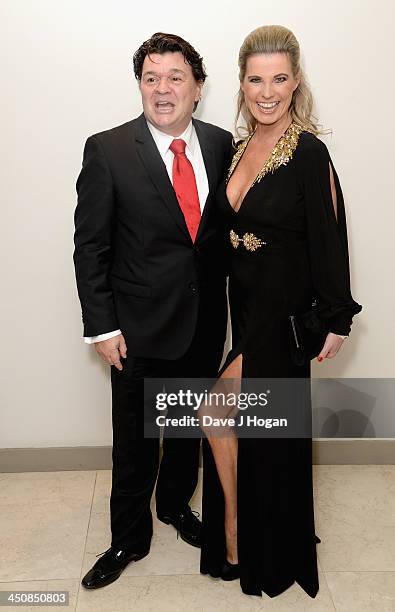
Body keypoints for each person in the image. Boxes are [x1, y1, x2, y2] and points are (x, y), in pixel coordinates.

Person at [199, 25, 362, 598]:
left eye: (279, 79)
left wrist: (336, 319)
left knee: (221, 416)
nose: (266, 91)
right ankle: (253, 533)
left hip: (284, 318)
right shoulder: (240, 148)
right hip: (244, 311)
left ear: (296, 83)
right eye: (254, 79)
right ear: (241, 83)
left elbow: (331, 239)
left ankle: (241, 535)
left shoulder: (310, 153)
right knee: (255, 431)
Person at [73, 32, 233, 589]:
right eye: (150, 78)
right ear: (140, 85)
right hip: (135, 329)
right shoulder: (108, 149)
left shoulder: (221, 144)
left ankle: (175, 508)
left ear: (198, 87)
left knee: (187, 427)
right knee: (136, 441)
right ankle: (127, 538)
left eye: (175, 78)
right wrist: (102, 326)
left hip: (204, 323)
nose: (162, 90)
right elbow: (90, 245)